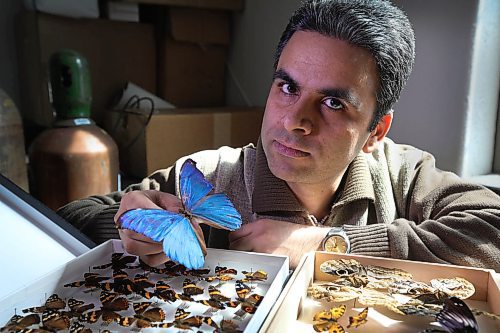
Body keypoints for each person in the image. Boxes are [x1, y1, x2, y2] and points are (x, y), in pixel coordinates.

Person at [58, 0, 500, 271]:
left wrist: (331, 246)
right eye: (287, 87)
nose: (294, 121)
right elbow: (71, 216)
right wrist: (126, 226)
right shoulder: (210, 175)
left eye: (333, 103)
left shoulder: (404, 175)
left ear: (374, 132)